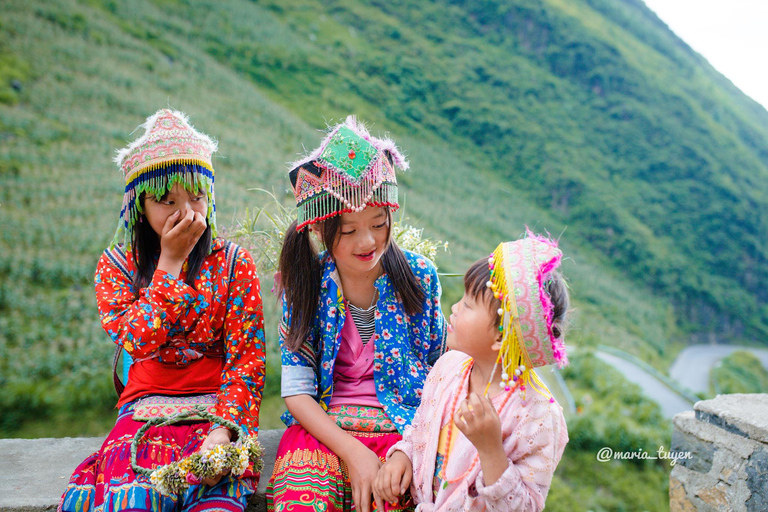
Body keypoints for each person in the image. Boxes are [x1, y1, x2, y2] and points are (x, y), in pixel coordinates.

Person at [58, 109, 266, 512]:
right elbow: (138, 339)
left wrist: (224, 433)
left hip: (217, 412)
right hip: (144, 413)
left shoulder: (234, 262)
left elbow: (248, 360)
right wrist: (169, 264)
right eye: (167, 200)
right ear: (139, 203)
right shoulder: (116, 266)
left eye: (196, 197)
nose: (186, 212)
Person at [266, 116, 447, 512]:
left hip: (401, 433)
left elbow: (442, 383)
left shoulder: (420, 278)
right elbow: (297, 391)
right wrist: (353, 452)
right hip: (324, 434)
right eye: (347, 231)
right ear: (319, 231)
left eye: (379, 224)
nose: (368, 241)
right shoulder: (306, 284)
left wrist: (408, 450)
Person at [374, 234, 570, 511]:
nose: (454, 308)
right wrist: (402, 457)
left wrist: (491, 450)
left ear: (502, 339)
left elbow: (525, 507)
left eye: (467, 305)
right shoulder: (449, 367)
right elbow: (420, 429)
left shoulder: (538, 416)